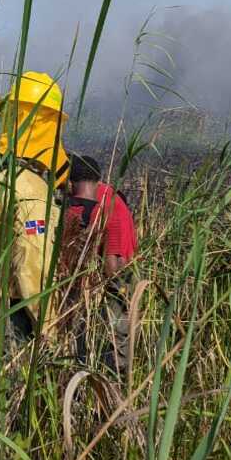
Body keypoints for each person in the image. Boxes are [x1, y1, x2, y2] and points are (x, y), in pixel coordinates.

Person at [0, 70, 69, 343]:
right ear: (49, 126)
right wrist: (50, 330)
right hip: (13, 317)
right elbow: (31, 264)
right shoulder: (29, 188)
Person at [63, 154, 137, 376]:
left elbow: (113, 265)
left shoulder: (107, 209)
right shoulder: (101, 198)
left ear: (70, 182)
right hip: (107, 272)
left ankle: (113, 383)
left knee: (115, 337)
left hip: (117, 276)